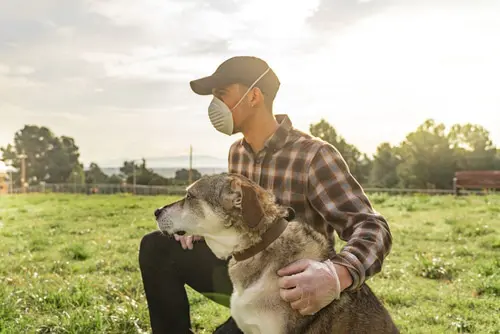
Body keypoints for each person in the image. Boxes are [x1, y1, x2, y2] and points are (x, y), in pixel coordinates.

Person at [138, 56, 393, 334]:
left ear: (254, 96)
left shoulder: (314, 156)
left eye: (221, 94)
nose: (214, 105)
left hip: (292, 292)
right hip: (243, 272)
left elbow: (372, 227)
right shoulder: (237, 152)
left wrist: (337, 274)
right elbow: (237, 217)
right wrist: (201, 225)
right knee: (157, 247)